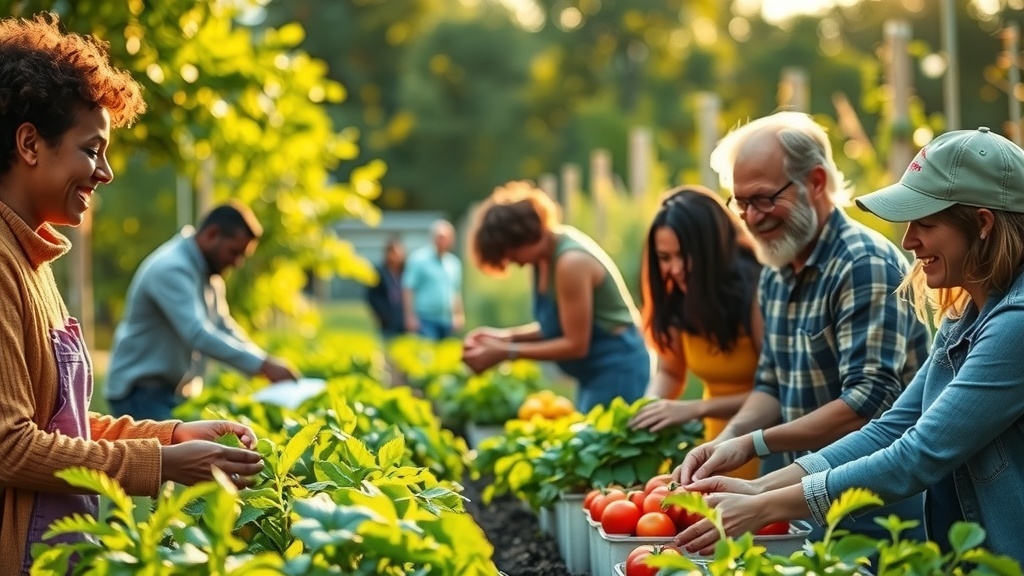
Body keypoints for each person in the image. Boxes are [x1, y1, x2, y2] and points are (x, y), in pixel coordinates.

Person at [677, 127, 1024, 562]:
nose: (908, 240)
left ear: (983, 224)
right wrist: (759, 484)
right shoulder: (965, 316)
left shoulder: (1015, 324)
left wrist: (764, 502)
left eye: (926, 223)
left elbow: (916, 453)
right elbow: (891, 426)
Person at [0, 13, 264, 572]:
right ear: (29, 143)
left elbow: (62, 426)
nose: (105, 173)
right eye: (92, 149)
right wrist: (162, 464)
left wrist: (173, 434)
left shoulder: (32, 260)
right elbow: (11, 447)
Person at [671, 112, 931, 539]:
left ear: (814, 182)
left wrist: (754, 444)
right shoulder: (776, 270)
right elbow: (772, 382)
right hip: (795, 492)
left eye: (763, 199)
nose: (752, 218)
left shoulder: (861, 264)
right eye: (741, 203)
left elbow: (866, 401)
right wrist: (730, 438)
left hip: (871, 501)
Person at [462, 181, 649, 412]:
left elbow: (575, 344)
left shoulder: (570, 263)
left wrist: (506, 353)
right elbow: (556, 327)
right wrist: (504, 338)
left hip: (618, 368)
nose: (514, 263)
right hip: (594, 372)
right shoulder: (542, 260)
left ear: (526, 236)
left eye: (512, 254)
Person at [105, 202, 299, 420]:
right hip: (141, 394)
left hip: (172, 392)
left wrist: (264, 362)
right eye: (234, 252)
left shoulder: (209, 275)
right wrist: (262, 366)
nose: (236, 263)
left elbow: (223, 326)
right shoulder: (172, 267)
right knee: (172, 453)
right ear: (212, 234)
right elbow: (197, 333)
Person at [628, 186, 763, 480]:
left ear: (712, 250)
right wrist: (649, 409)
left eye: (684, 256)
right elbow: (670, 373)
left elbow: (777, 394)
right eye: (664, 257)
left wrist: (695, 409)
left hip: (764, 448)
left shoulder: (757, 291)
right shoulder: (677, 296)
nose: (674, 269)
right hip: (716, 447)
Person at [402, 219, 464, 340]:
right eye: (439, 237)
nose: (442, 241)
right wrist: (410, 317)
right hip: (425, 319)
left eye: (446, 237)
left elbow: (456, 291)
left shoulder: (454, 263)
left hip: (446, 320)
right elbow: (408, 289)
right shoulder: (418, 260)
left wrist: (459, 315)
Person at [365, 235, 407, 339]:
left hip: (403, 317)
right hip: (387, 318)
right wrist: (381, 313)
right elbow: (371, 296)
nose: (398, 256)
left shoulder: (405, 272)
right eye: (395, 253)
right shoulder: (379, 272)